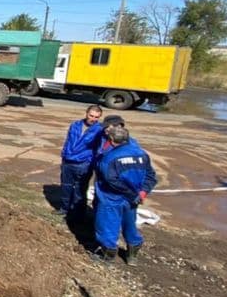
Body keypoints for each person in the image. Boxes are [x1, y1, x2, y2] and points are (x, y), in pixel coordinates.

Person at [92, 122, 157, 265]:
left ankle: (108, 254)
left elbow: (111, 180)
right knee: (129, 224)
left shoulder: (109, 158)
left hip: (112, 197)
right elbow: (151, 176)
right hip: (133, 198)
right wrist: (142, 193)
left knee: (107, 225)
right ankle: (132, 253)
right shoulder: (141, 154)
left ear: (111, 141)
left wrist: (130, 193)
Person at [58, 105, 104, 216]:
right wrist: (64, 154)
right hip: (68, 161)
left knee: (80, 190)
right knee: (66, 186)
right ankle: (64, 209)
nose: (93, 119)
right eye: (91, 115)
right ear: (86, 113)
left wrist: (90, 162)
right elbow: (68, 140)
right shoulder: (75, 125)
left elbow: (99, 148)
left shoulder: (99, 130)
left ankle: (77, 214)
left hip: (83, 163)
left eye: (96, 117)